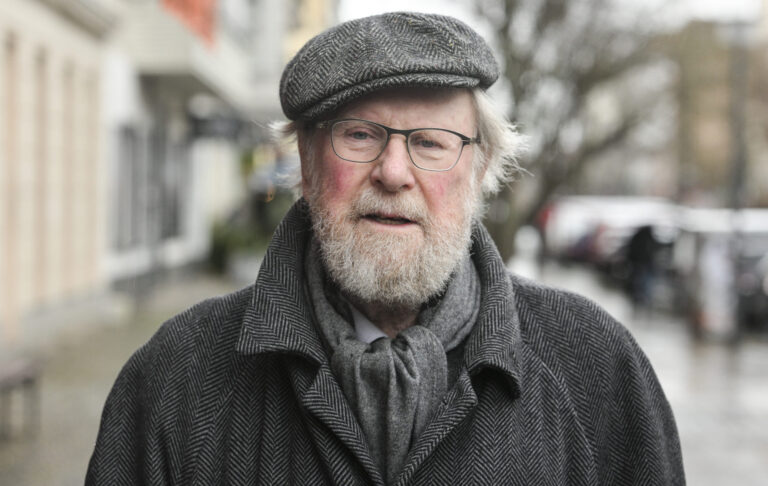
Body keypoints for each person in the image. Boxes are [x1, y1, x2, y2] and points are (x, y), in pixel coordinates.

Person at [86, 12, 685, 485]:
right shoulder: (176, 378)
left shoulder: (598, 370)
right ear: (306, 161)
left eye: (430, 142)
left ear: (479, 170)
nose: (393, 172)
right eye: (360, 135)